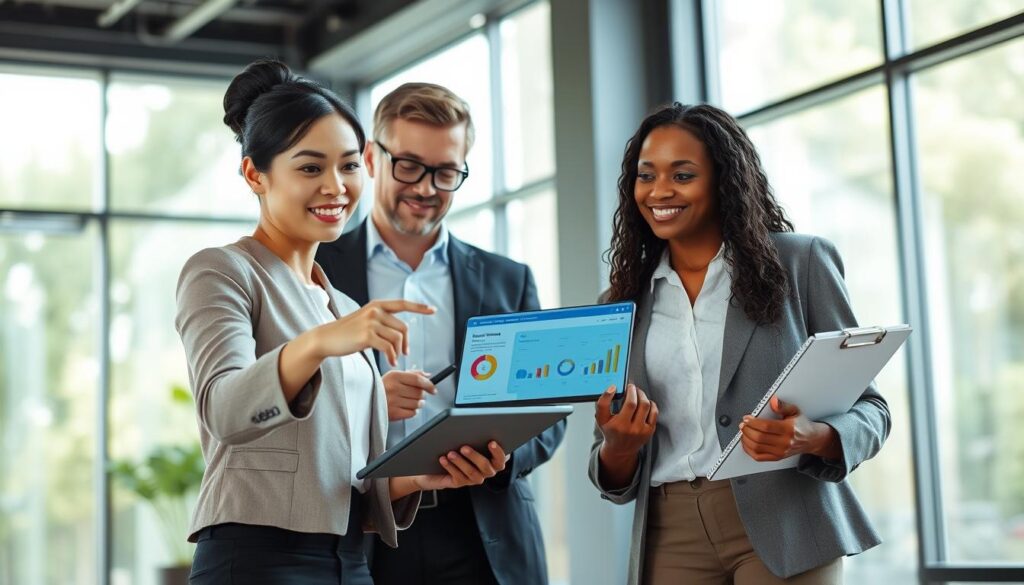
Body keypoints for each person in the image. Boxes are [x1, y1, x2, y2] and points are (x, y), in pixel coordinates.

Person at [175, 60, 508, 585]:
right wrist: (323, 343)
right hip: (258, 559)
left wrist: (417, 475)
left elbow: (343, 479)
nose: (336, 187)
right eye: (310, 168)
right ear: (254, 174)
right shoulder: (222, 271)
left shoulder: (346, 307)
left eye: (349, 166)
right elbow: (227, 410)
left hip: (349, 562)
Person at [588, 102, 890, 585]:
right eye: (646, 175)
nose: (660, 191)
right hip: (671, 530)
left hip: (783, 519)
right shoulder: (620, 302)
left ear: (724, 181)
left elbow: (872, 409)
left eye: (682, 175)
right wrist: (618, 447)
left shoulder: (800, 264)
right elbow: (609, 468)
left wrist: (812, 437)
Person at [316, 82, 566, 585]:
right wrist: (367, 399)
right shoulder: (317, 270)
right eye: (408, 165)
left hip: (484, 532)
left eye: (446, 172)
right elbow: (293, 402)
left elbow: (547, 415)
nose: (427, 187)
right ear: (370, 157)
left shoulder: (507, 279)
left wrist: (501, 457)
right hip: (362, 528)